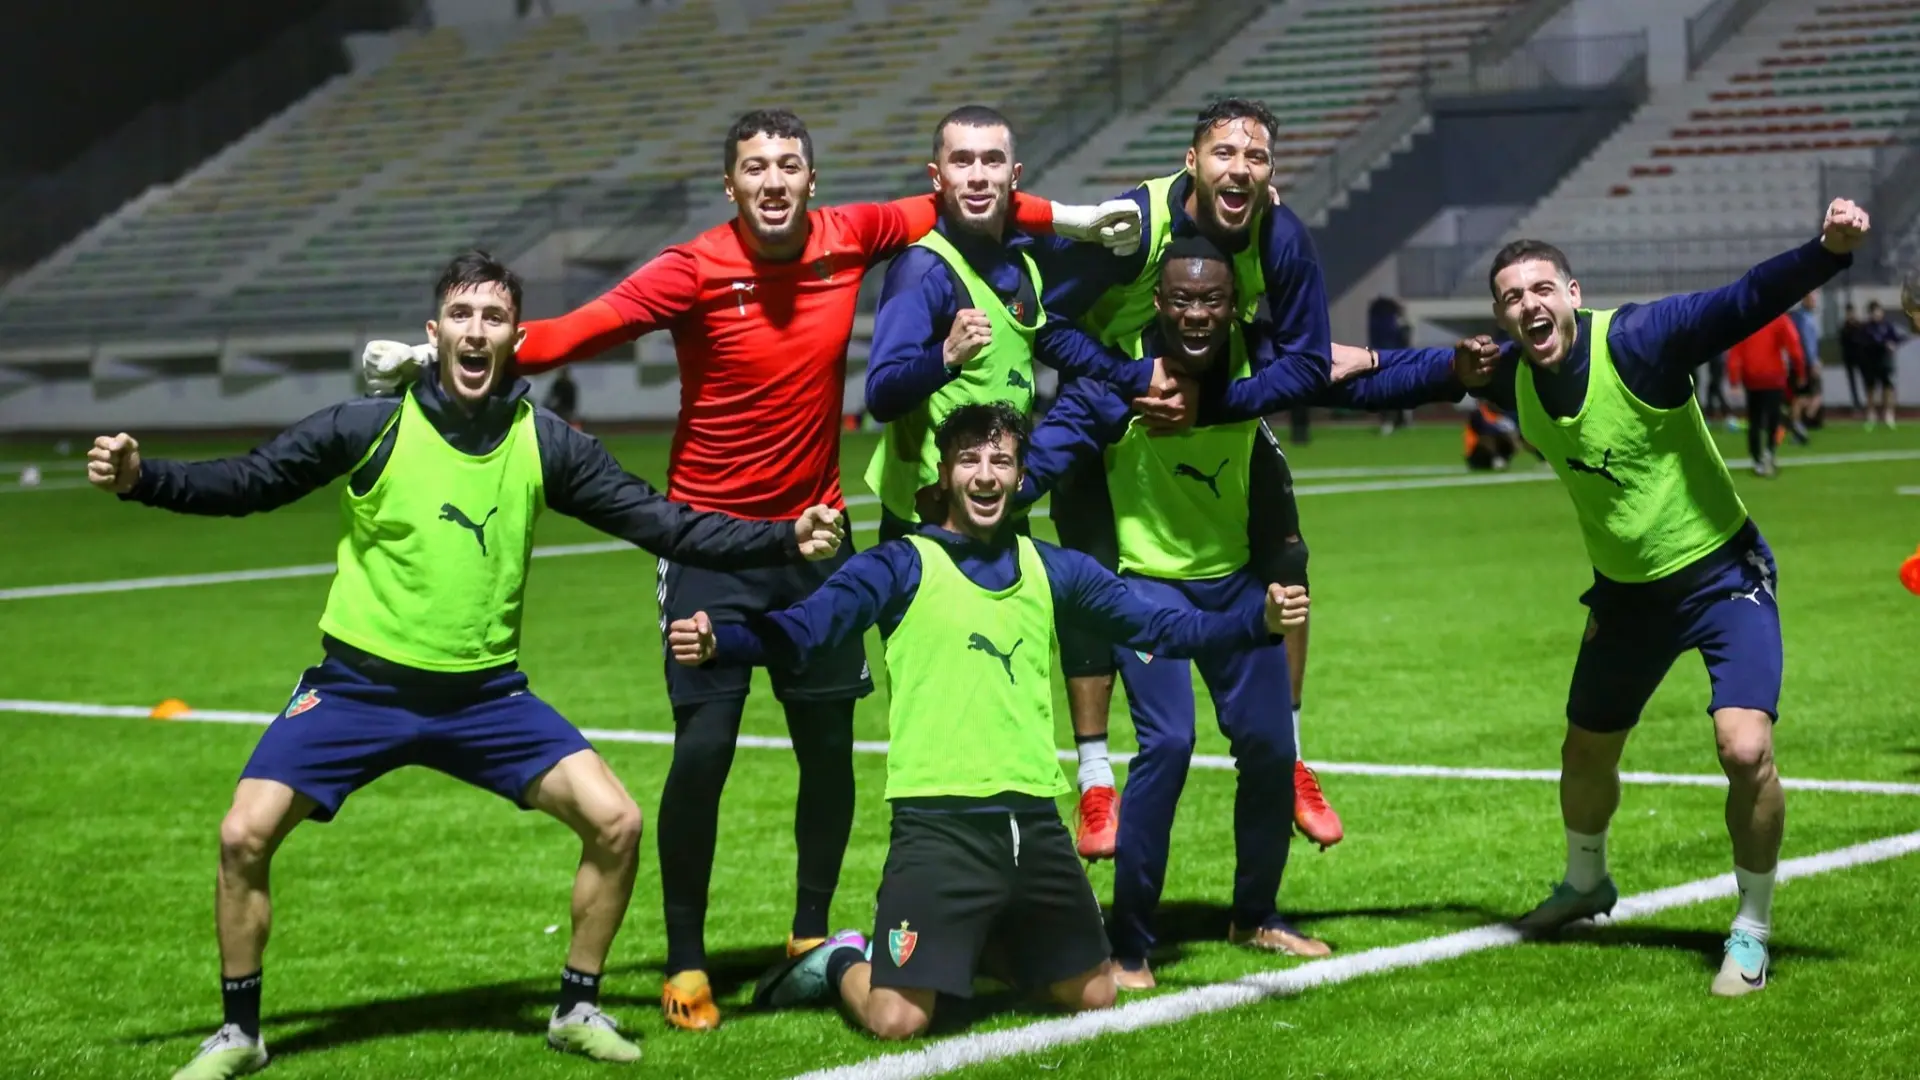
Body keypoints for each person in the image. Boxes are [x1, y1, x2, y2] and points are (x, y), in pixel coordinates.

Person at [359, 109, 1141, 1031]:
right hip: (705, 544)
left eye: (789, 166)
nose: (773, 182)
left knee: (828, 748)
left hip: (815, 538)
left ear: (812, 180)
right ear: (729, 185)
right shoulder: (691, 268)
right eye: (755, 168)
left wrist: (1076, 220)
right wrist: (430, 356)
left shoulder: (850, 235)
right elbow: (575, 333)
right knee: (704, 751)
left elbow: (969, 200)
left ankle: (811, 935)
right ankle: (686, 959)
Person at [92, 252, 847, 1079]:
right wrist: (141, 478)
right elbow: (250, 480)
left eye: (493, 317)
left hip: (485, 699)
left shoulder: (544, 442)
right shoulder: (368, 426)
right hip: (358, 689)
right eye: (461, 315)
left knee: (617, 823)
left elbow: (665, 524)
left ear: (516, 338)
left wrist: (782, 537)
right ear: (435, 332)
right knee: (243, 835)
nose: (476, 331)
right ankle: (240, 1034)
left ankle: (576, 1008)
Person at [665, 402, 1312, 1039]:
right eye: (969, 460)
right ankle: (836, 960)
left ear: (1020, 477)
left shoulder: (1050, 567)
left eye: (1000, 461)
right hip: (937, 827)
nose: (985, 475)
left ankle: (979, 944)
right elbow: (806, 630)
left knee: (1095, 994)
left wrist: (1255, 622)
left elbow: (1163, 626)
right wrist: (726, 642)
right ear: (944, 474)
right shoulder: (900, 565)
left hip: (1033, 824)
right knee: (898, 1019)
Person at [1389, 197, 1871, 997]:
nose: (1528, 305)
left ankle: (1752, 929)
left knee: (1744, 749)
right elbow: (1397, 376)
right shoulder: (1509, 377)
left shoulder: (1641, 340)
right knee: (1584, 752)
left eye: (1542, 288)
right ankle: (1586, 883)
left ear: (1573, 294)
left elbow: (1742, 300)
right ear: (1501, 317)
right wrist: (1286, 375)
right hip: (1625, 599)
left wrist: (1828, 251)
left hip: (1723, 576)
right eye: (1511, 297)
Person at [1016, 238, 1484, 983]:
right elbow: (1047, 454)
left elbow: (1357, 375)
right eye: (1181, 300)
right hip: (1148, 590)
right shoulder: (1121, 373)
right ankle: (1129, 944)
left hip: (1235, 583)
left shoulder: (1258, 359)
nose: (1196, 315)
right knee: (1169, 743)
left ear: (1233, 305)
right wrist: (985, 504)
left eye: (1211, 300)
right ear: (1158, 303)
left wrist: (1451, 371)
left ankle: (1257, 915)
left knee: (1269, 747)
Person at [1026, 97, 1343, 861]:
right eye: (1225, 154)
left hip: (1214, 399)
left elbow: (1306, 358)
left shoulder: (1278, 232)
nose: (1241, 169)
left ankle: (1289, 753)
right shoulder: (1135, 226)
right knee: (1091, 580)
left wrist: (1216, 401)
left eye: (1256, 157)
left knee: (1288, 556)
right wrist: (1130, 378)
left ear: (1270, 171)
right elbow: (1045, 320)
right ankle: (1095, 779)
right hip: (1109, 402)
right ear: (1192, 162)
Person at [861, 105, 1169, 543]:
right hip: (931, 515)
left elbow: (1046, 338)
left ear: (1014, 174)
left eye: (992, 160)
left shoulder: (1021, 256)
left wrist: (1136, 374)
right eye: (962, 161)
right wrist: (945, 356)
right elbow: (881, 396)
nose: (978, 176)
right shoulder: (922, 269)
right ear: (937, 176)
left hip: (999, 497)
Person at [1725, 312, 1804, 476]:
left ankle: (1757, 459)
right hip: (1774, 377)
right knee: (1773, 418)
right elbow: (1794, 345)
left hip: (1751, 378)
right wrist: (1800, 371)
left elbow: (1735, 350)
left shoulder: (1746, 319)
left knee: (1754, 420)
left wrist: (1734, 378)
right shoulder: (1779, 318)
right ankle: (1769, 451)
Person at [1368, 294, 1414, 434]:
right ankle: (1395, 420)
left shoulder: (1377, 322)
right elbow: (1404, 339)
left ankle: (1393, 421)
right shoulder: (1392, 322)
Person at [1858, 299, 1903, 429]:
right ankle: (1871, 414)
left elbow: (1896, 338)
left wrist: (1892, 344)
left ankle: (1888, 414)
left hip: (1885, 361)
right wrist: (1881, 344)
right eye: (1873, 312)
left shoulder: (1887, 326)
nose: (1876, 314)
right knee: (1871, 388)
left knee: (1888, 387)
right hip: (1870, 362)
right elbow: (1864, 343)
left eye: (1878, 311)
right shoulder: (1866, 328)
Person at [1786, 292, 1822, 438]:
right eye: (1812, 299)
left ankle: (1797, 425)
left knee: (1803, 396)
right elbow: (1806, 343)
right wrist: (1813, 362)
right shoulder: (1803, 319)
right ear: (1805, 300)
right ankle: (1797, 425)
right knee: (1808, 396)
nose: (1815, 302)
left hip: (1801, 362)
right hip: (1805, 363)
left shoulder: (1803, 317)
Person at [1464, 400, 1526, 471]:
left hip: (1497, 447)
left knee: (1518, 436)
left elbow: (1514, 429)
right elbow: (1484, 429)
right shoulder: (1477, 414)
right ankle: (1496, 458)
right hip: (1476, 453)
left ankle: (1502, 459)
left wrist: (1514, 438)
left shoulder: (1503, 415)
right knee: (1487, 437)